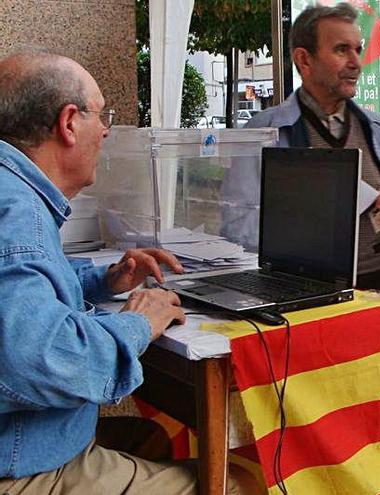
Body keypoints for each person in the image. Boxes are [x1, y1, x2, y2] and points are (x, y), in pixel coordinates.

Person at [0, 51, 259, 494]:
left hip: (28, 443)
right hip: (22, 466)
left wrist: (105, 280)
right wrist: (137, 323)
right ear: (68, 123)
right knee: (242, 483)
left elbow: (24, 286)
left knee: (152, 438)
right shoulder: (18, 214)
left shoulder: (14, 195)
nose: (105, 130)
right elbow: (38, 362)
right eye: (102, 115)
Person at [223, 2, 380, 299]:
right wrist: (304, 225)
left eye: (358, 48)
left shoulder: (378, 130)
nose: (356, 62)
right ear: (304, 60)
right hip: (312, 300)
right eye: (342, 50)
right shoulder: (264, 134)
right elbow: (235, 225)